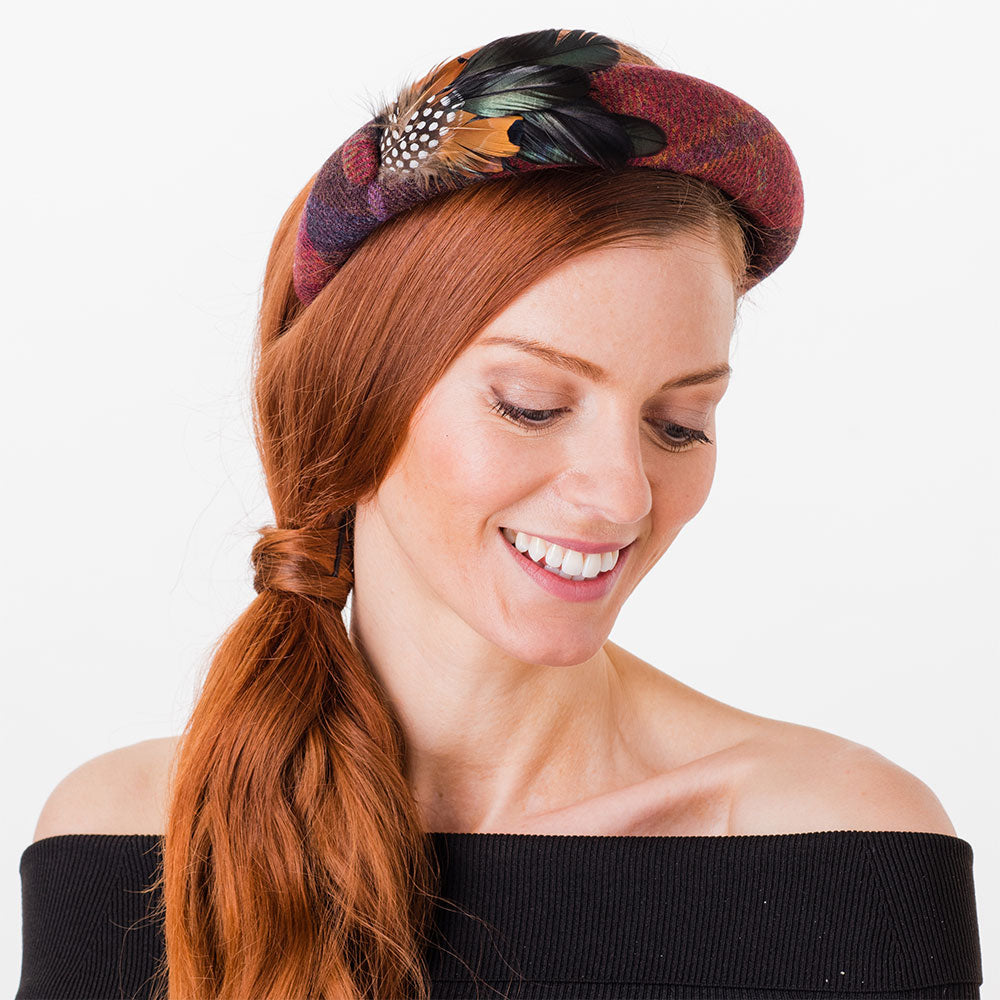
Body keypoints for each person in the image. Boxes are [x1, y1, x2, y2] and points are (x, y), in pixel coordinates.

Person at [16, 27, 982, 1000]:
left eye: (678, 423)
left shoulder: (842, 852)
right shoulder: (120, 844)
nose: (623, 494)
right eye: (531, 405)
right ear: (354, 398)